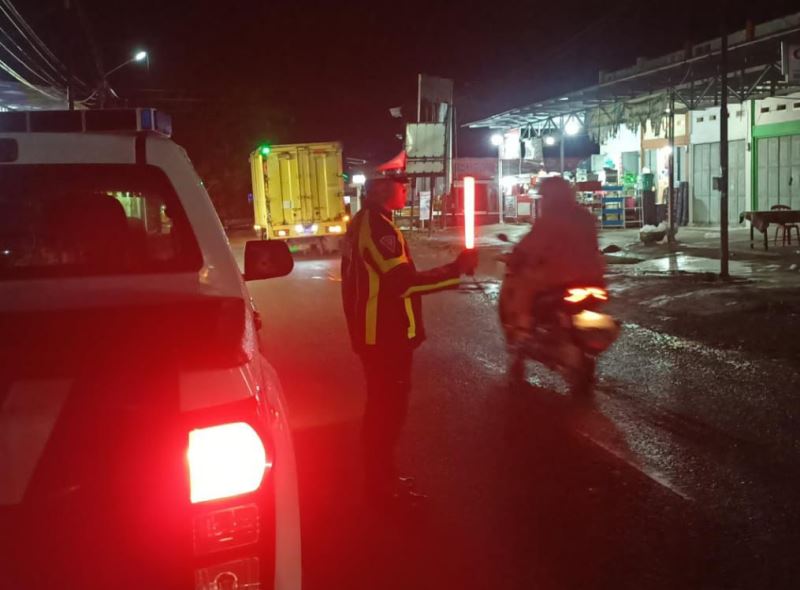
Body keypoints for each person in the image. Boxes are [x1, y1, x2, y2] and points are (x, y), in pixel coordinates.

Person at [341, 175, 477, 506]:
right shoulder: (378, 228)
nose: (406, 189)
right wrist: (454, 270)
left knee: (383, 411)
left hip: (379, 336)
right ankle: (382, 487)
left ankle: (383, 477)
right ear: (382, 190)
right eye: (400, 185)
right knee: (387, 413)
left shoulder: (370, 221)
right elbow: (402, 284)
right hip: (385, 338)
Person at [502, 176, 605, 344]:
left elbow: (530, 246)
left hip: (561, 278)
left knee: (524, 282)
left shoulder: (550, 219)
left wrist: (516, 257)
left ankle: (522, 329)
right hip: (594, 277)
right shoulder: (585, 216)